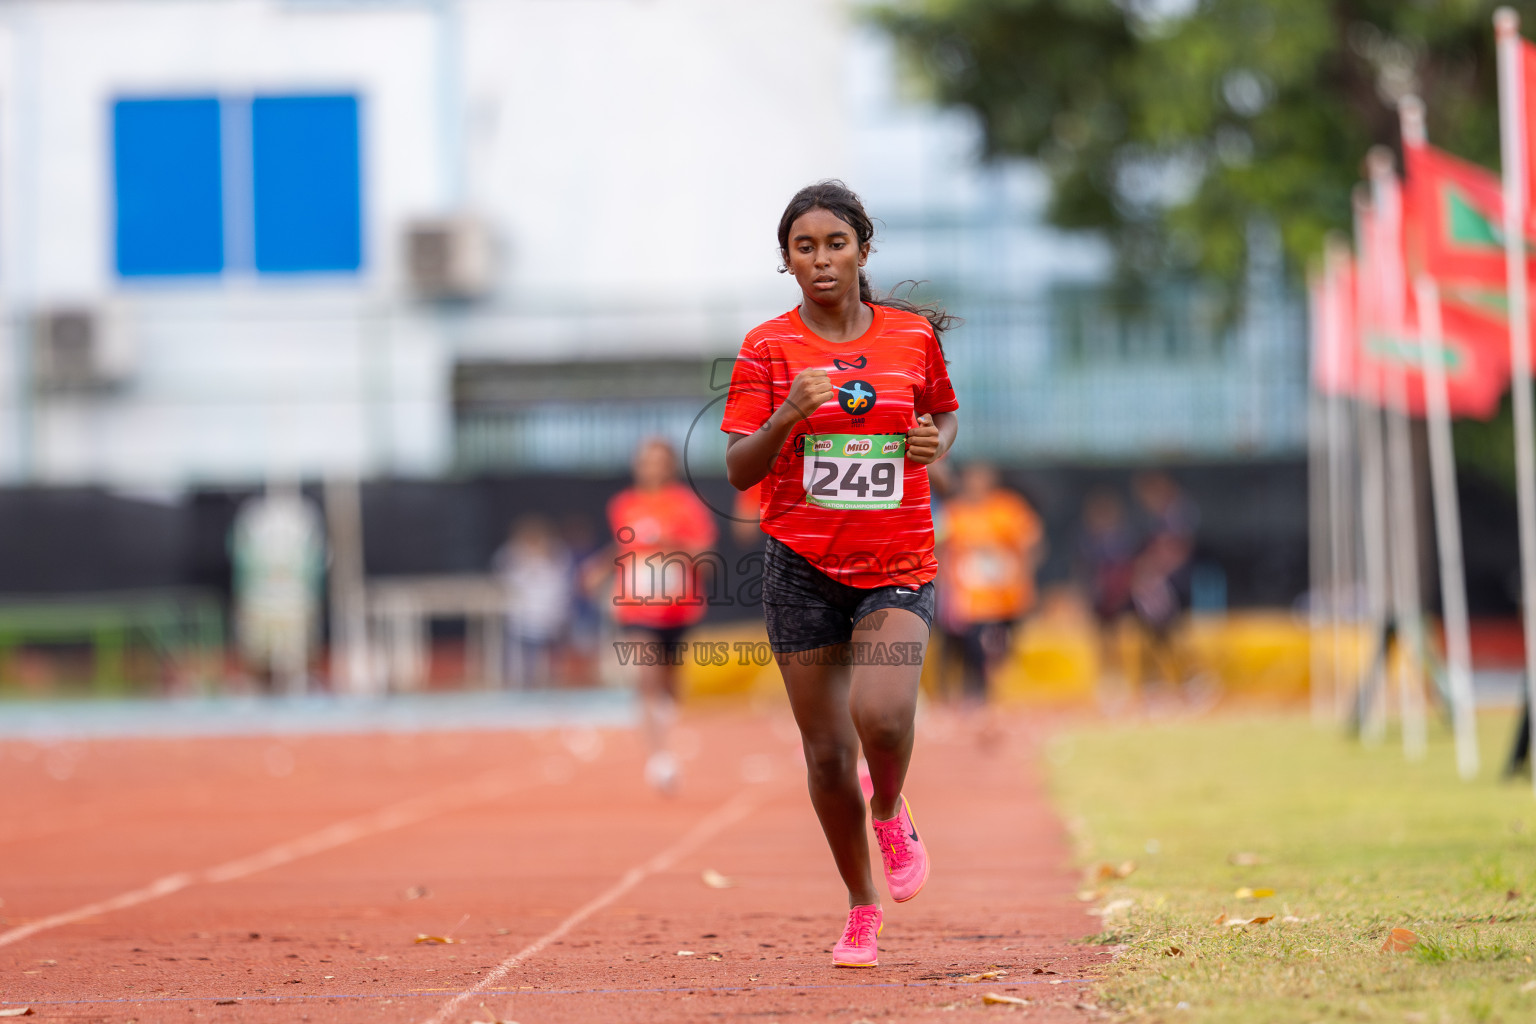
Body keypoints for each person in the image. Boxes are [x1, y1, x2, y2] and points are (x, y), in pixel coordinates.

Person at [722, 180, 959, 969]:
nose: (821, 260)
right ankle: (861, 908)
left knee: (883, 717)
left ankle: (889, 810)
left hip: (895, 562)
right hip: (802, 568)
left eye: (835, 244)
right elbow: (736, 467)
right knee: (826, 754)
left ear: (862, 249)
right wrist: (788, 414)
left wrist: (934, 444)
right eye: (804, 247)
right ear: (786, 262)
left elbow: (942, 413)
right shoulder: (767, 347)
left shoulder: (910, 337)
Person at [601, 438, 718, 793]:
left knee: (670, 684)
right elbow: (625, 547)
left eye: (658, 461)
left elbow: (705, 558)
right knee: (647, 676)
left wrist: (672, 543)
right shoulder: (623, 505)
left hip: (678, 607)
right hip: (636, 604)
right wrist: (598, 568)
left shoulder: (687, 506)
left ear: (669, 466)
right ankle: (660, 758)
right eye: (645, 461)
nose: (650, 467)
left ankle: (664, 711)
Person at [936, 462, 1043, 706]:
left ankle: (992, 694)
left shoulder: (1008, 509)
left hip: (1004, 598)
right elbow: (940, 550)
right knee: (964, 648)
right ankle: (967, 694)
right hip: (965, 600)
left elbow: (1030, 545)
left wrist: (1025, 579)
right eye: (972, 478)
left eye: (981, 477)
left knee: (999, 651)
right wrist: (942, 584)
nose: (976, 484)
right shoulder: (953, 513)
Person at [492, 515, 575, 689]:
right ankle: (520, 686)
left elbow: (562, 588)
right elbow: (505, 583)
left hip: (550, 619)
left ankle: (551, 684)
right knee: (522, 667)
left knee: (550, 666)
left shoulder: (557, 555)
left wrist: (558, 616)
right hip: (521, 621)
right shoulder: (510, 555)